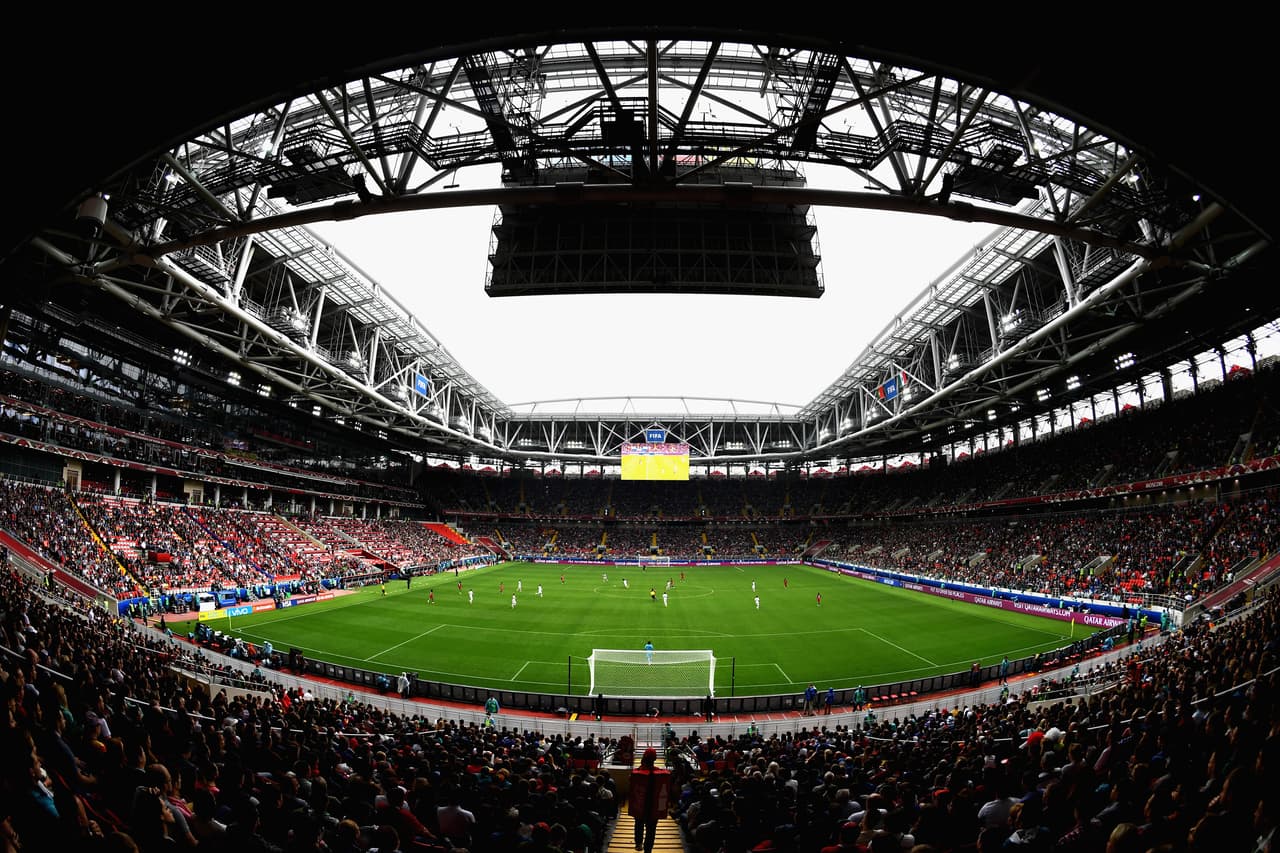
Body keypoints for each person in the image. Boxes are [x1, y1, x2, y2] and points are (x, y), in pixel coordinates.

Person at [629, 748, 670, 853]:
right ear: (655, 759)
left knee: (638, 823)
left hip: (640, 804)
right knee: (651, 830)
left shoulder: (637, 772)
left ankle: (638, 843)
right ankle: (648, 850)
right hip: (654, 806)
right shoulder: (661, 774)